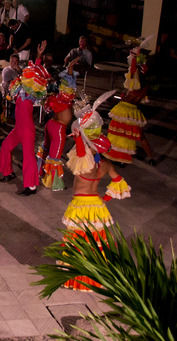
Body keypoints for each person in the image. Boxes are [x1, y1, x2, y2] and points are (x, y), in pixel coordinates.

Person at [60, 95, 131, 291]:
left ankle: (79, 277)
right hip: (97, 206)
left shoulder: (86, 161)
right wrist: (105, 198)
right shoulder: (105, 164)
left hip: (81, 205)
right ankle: (96, 275)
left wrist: (78, 136)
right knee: (95, 242)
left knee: (78, 241)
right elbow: (119, 182)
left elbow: (80, 152)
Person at [0, 62, 50, 195]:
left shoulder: (32, 92)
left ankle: (31, 186)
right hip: (18, 128)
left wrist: (37, 59)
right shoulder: (20, 88)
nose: (25, 74)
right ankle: (8, 173)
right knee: (5, 145)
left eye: (27, 73)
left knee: (28, 157)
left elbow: (37, 72)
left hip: (27, 130)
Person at [107, 43, 156, 165]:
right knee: (123, 135)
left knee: (128, 135)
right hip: (126, 110)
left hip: (126, 111)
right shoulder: (138, 82)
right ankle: (145, 158)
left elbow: (133, 67)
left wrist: (135, 56)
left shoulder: (136, 80)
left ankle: (149, 157)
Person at [37, 59, 79, 191]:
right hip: (58, 129)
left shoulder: (55, 97)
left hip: (50, 125)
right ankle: (52, 183)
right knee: (55, 156)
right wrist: (70, 67)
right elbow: (70, 80)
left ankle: (40, 172)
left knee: (46, 150)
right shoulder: (65, 97)